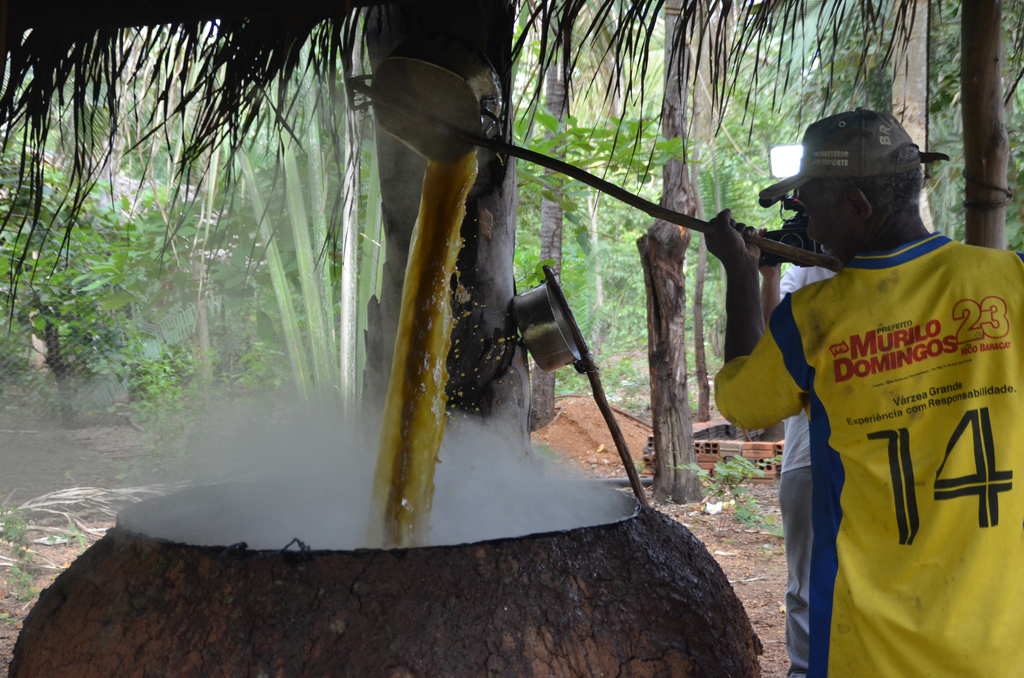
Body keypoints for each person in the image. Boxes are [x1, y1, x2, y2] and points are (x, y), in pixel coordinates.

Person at [706, 108, 1024, 677]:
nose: (803, 213)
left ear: (857, 205)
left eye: (810, 199)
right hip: (1003, 647)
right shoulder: (1010, 281)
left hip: (869, 650)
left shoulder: (814, 319)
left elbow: (740, 401)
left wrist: (739, 271)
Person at [761, 263, 835, 678]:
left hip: (867, 456)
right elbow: (772, 346)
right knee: (805, 583)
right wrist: (767, 275)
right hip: (808, 456)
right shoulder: (800, 273)